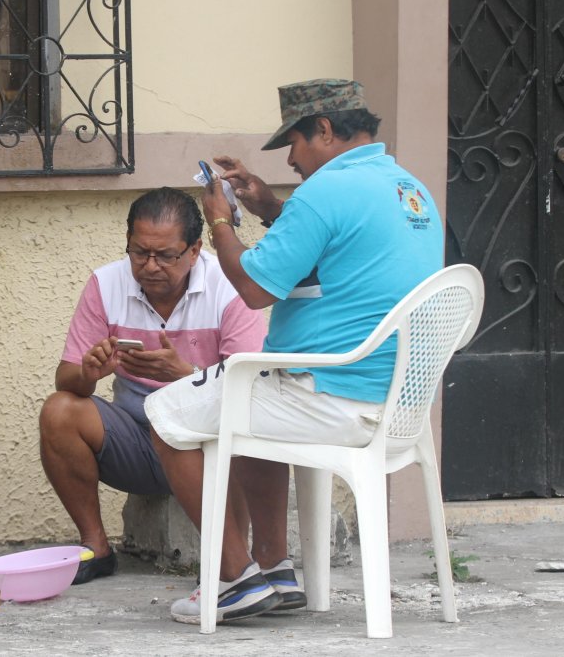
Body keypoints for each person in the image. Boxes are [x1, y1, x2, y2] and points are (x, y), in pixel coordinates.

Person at [145, 79, 445, 624]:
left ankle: (233, 581)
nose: (291, 157)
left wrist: (219, 218)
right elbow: (333, 246)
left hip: (332, 396)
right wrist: (268, 204)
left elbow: (256, 289)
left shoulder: (327, 191)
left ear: (325, 131)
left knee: (167, 413)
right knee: (252, 393)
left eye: (295, 143)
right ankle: (274, 568)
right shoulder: (408, 189)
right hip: (396, 403)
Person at [38, 187, 275, 586]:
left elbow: (250, 384)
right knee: (59, 409)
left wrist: (185, 374)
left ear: (195, 249)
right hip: (137, 440)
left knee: (240, 426)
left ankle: (235, 566)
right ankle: (96, 547)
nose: (150, 266)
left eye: (166, 255)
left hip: (207, 443)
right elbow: (66, 378)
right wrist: (90, 370)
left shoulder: (227, 284)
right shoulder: (106, 283)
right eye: (139, 252)